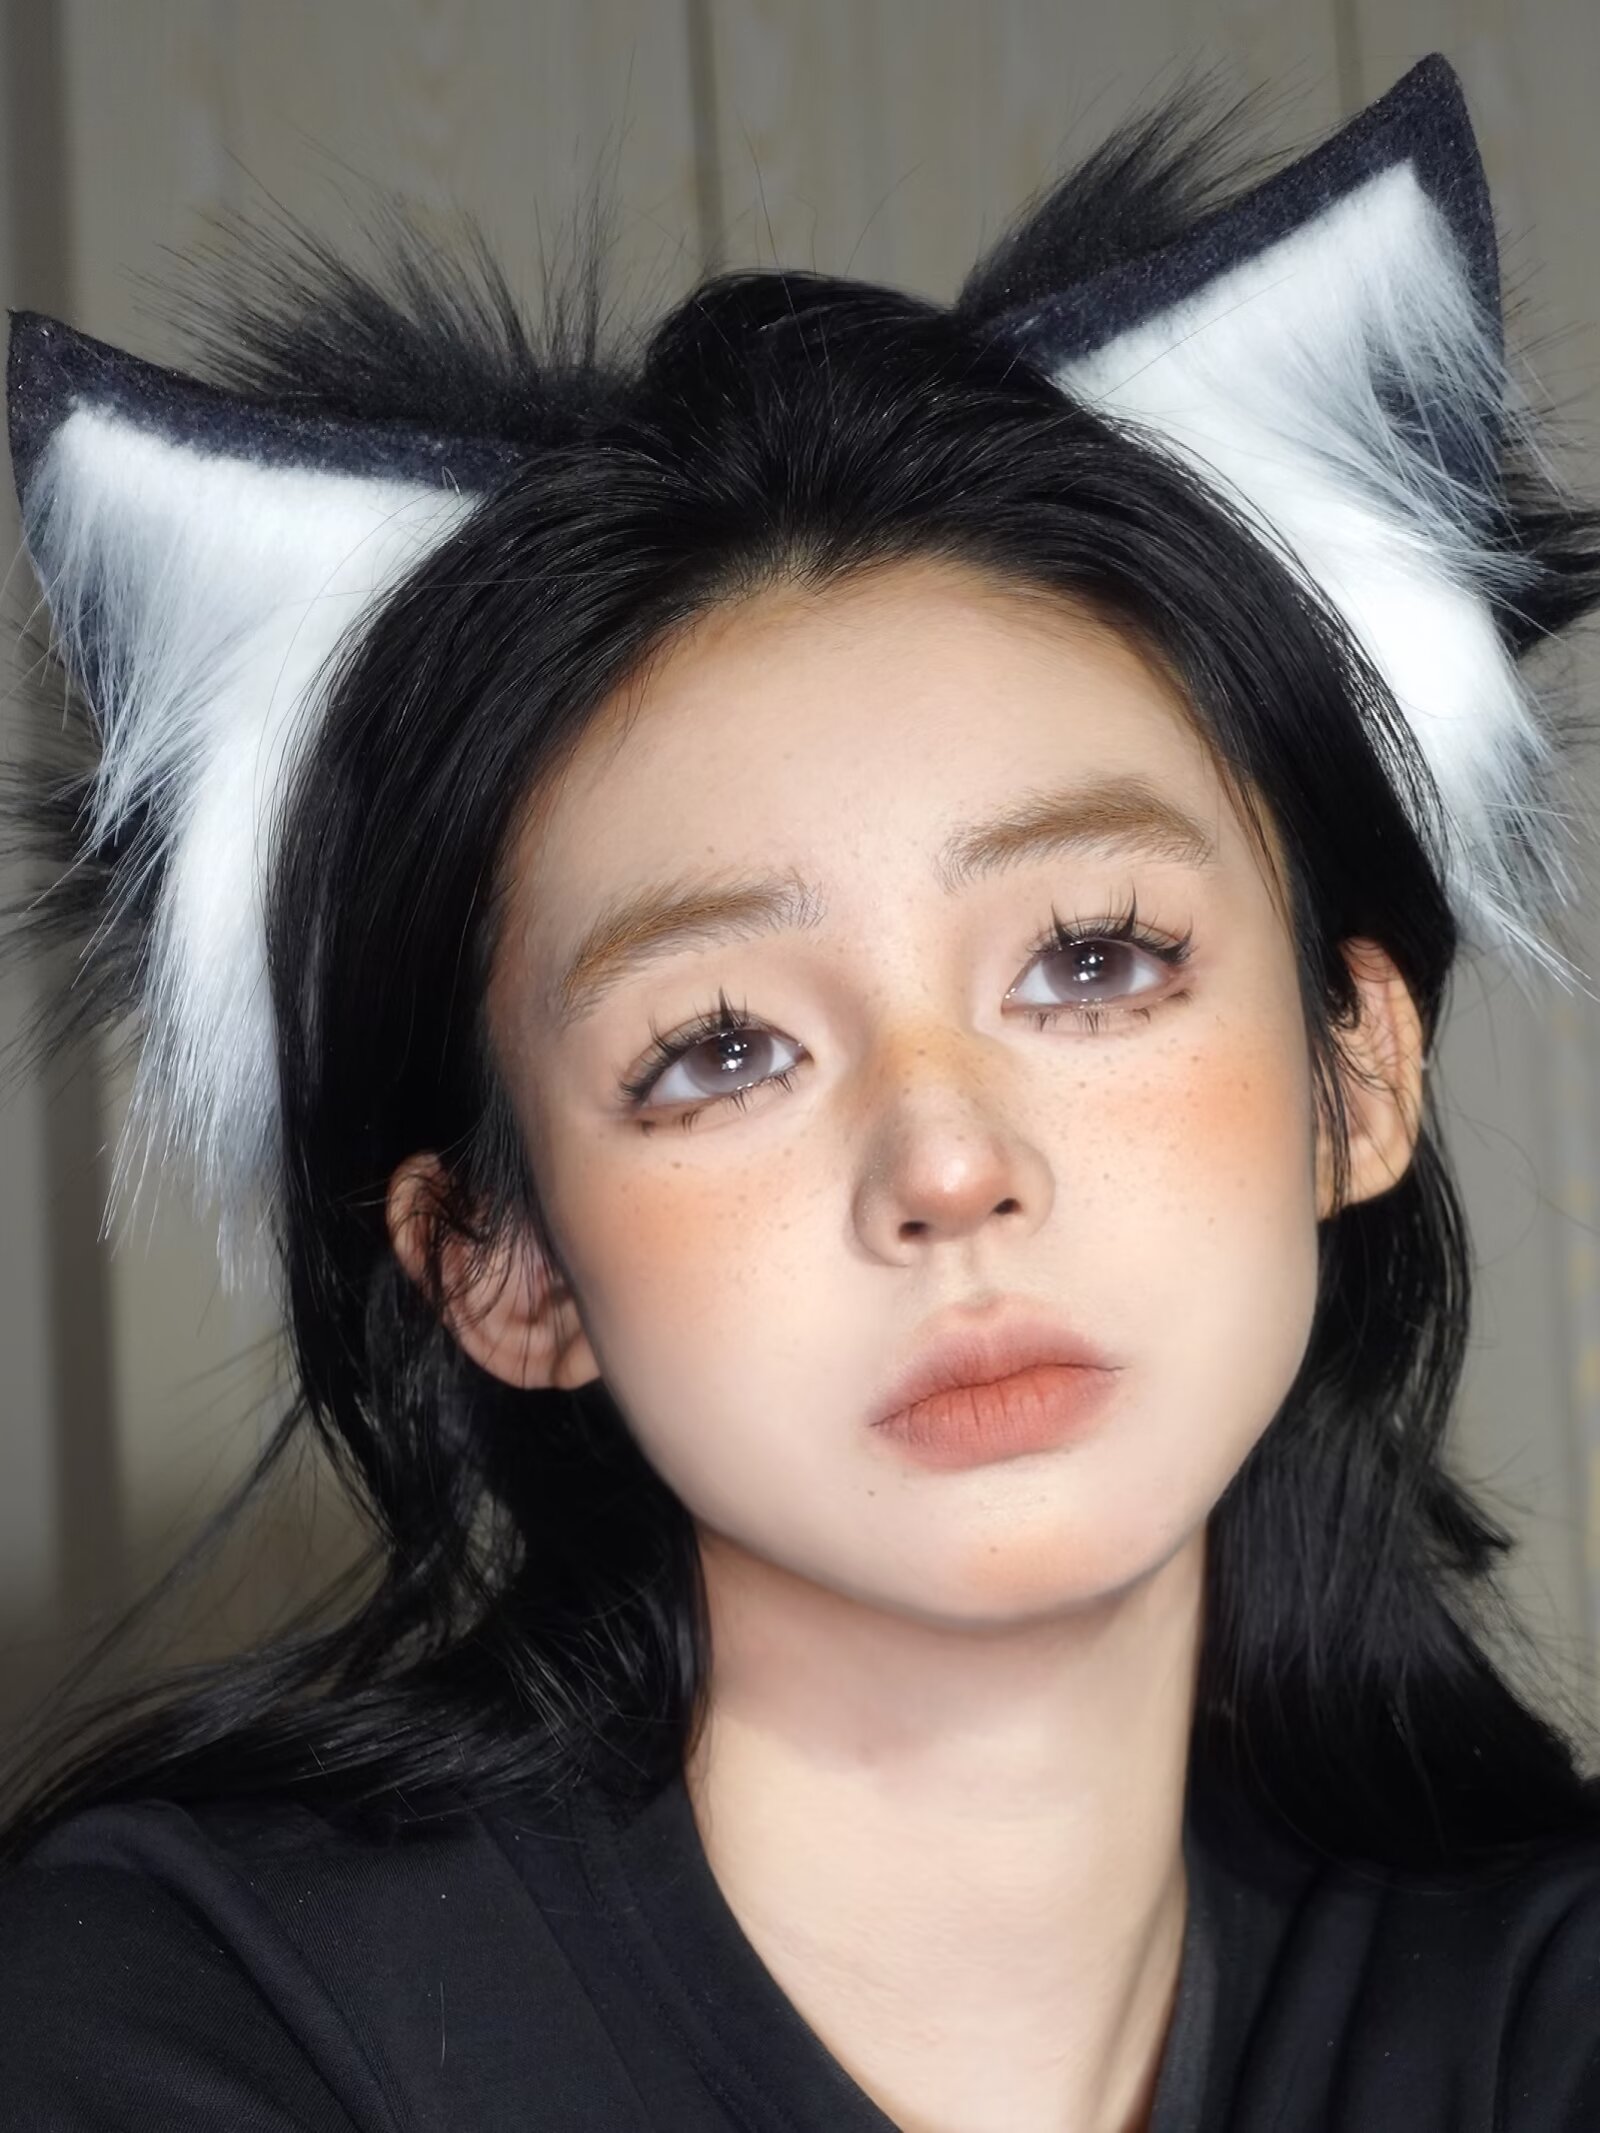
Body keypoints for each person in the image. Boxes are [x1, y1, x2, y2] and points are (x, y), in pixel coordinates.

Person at [1, 49, 1598, 2133]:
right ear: (500, 1262)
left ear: (1352, 1073)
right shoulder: (182, 2014)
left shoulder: (1539, 2001)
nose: (946, 1160)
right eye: (720, 1048)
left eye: (1092, 955)